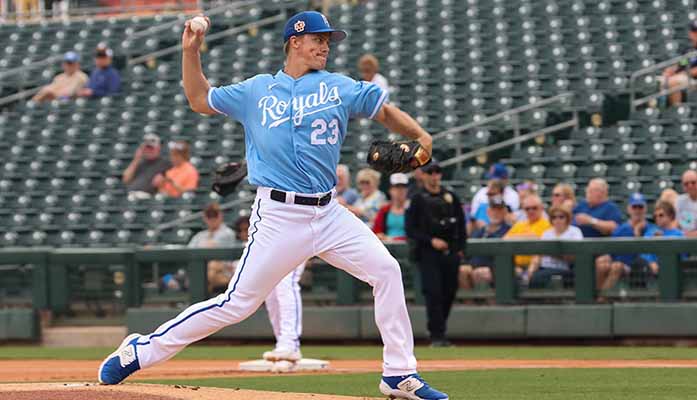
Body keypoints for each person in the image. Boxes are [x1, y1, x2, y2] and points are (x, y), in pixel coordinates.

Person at [99, 11, 448, 400]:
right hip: (280, 216)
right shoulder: (257, 91)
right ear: (294, 41)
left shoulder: (339, 86)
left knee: (386, 271)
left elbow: (382, 110)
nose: (325, 46)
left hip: (329, 212)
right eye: (318, 39)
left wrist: (421, 136)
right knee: (236, 304)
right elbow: (199, 99)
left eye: (329, 41)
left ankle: (398, 374)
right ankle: (140, 350)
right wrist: (191, 52)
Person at [405, 160, 466, 348]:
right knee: (433, 292)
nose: (434, 176)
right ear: (422, 175)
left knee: (449, 291)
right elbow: (410, 229)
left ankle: (439, 329)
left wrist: (460, 248)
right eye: (430, 172)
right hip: (428, 252)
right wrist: (430, 241)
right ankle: (437, 335)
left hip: (450, 251)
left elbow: (461, 225)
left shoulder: (450, 196)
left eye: (437, 172)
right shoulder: (417, 198)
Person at [599, 193, 658, 291]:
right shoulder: (621, 229)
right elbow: (611, 252)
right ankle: (593, 295)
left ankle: (601, 298)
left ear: (645, 209)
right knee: (601, 262)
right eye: (634, 207)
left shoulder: (652, 229)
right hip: (622, 265)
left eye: (640, 207)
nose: (637, 210)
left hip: (641, 268)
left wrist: (637, 231)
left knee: (616, 266)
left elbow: (646, 253)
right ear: (629, 209)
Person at [460, 195, 511, 290]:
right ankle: (469, 304)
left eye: (499, 210)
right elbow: (468, 250)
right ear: (488, 212)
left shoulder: (509, 230)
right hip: (474, 266)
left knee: (482, 272)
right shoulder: (481, 230)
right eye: (493, 209)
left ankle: (489, 304)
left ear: (505, 212)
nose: (496, 213)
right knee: (461, 270)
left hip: (495, 269)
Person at [528, 205, 583, 289]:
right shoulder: (546, 233)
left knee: (539, 277)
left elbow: (576, 255)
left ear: (567, 218)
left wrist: (553, 252)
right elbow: (538, 255)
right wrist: (532, 268)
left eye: (561, 217)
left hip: (565, 268)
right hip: (544, 267)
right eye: (554, 217)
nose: (557, 220)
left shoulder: (575, 232)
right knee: (532, 275)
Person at [187, 203, 236, 294]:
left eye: (215, 215)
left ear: (220, 216)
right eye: (209, 216)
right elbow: (189, 251)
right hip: (203, 271)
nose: (212, 219)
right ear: (204, 218)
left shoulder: (228, 233)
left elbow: (210, 246)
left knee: (212, 268)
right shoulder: (200, 235)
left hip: (225, 271)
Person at [504, 194, 551, 282]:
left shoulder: (547, 224)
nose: (530, 211)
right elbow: (505, 240)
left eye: (534, 208)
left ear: (541, 208)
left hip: (538, 267)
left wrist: (516, 238)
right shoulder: (519, 225)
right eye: (527, 209)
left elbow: (541, 242)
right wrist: (529, 237)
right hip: (516, 266)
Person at [642, 200, 684, 277]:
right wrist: (651, 262)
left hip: (673, 272)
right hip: (650, 272)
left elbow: (682, 256)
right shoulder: (650, 232)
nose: (657, 218)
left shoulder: (679, 234)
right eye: (655, 216)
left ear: (671, 216)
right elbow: (643, 253)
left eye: (661, 215)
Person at [661, 20, 697, 105]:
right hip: (687, 78)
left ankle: (677, 111)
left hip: (693, 79)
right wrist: (671, 70)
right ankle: (660, 109)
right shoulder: (689, 50)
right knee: (662, 80)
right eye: (694, 32)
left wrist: (685, 73)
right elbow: (682, 63)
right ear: (691, 34)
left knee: (674, 82)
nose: (695, 35)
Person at [373, 173, 409, 241]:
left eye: (403, 187)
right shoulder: (384, 210)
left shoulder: (412, 209)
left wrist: (393, 239)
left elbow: (416, 233)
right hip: (387, 246)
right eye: (397, 187)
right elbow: (376, 230)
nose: (400, 190)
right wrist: (380, 236)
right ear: (390, 190)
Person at [676, 170, 697, 237]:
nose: (690, 186)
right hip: (684, 238)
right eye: (686, 184)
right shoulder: (679, 201)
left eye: (693, 183)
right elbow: (677, 224)